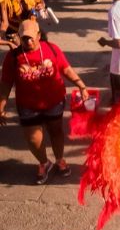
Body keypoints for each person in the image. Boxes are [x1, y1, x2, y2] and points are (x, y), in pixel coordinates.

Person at [0, 19, 89, 183]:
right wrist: (1, 106)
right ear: (19, 37)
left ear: (39, 35)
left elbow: (66, 69)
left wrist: (81, 85)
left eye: (31, 37)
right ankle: (44, 162)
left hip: (53, 101)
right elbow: (5, 83)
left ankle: (60, 159)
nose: (28, 41)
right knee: (34, 140)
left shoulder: (51, 49)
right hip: (27, 105)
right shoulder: (13, 57)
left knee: (56, 132)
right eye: (24, 37)